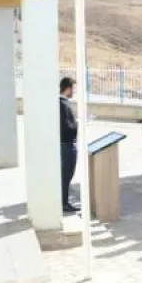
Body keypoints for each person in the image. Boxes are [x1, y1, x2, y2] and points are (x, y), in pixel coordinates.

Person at [59, 77, 79, 213]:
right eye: (74, 88)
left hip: (65, 144)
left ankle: (64, 201)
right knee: (66, 175)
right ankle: (64, 203)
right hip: (67, 145)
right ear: (68, 88)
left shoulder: (61, 103)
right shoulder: (63, 104)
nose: (74, 91)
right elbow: (66, 127)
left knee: (66, 175)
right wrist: (78, 124)